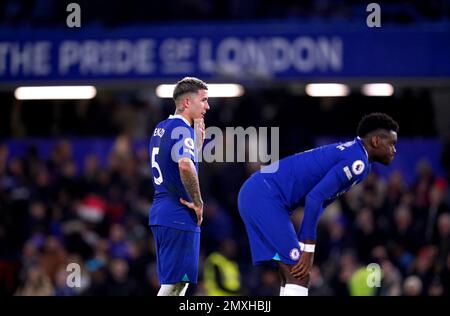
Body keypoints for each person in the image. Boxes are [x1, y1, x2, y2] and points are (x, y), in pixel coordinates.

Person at [238, 112, 399, 296]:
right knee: (299, 273)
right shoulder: (358, 161)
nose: (394, 150)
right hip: (264, 196)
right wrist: (308, 249)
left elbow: (321, 201)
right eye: (392, 144)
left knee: (290, 271)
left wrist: (303, 243)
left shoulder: (358, 158)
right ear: (376, 141)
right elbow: (315, 198)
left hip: (258, 193)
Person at [149, 77, 209, 296]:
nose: (207, 106)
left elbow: (174, 164)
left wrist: (197, 145)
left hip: (162, 211)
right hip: (178, 213)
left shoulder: (161, 128)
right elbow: (184, 165)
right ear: (186, 103)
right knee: (175, 285)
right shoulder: (181, 129)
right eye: (203, 100)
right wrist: (198, 202)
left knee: (176, 285)